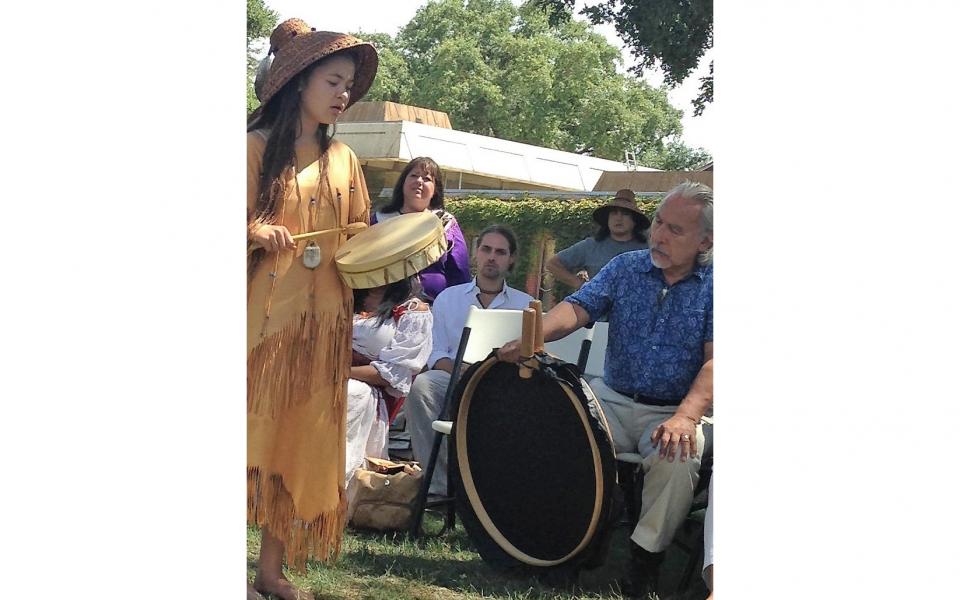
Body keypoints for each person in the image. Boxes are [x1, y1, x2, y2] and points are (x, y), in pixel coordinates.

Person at [499, 181, 714, 600]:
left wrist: (686, 417)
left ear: (706, 240)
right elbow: (577, 308)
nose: (659, 236)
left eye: (675, 230)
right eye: (659, 224)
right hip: (611, 399)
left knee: (679, 455)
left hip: (673, 409)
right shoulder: (625, 267)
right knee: (562, 434)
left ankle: (643, 563)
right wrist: (534, 337)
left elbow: (716, 360)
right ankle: (566, 548)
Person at [246, 18, 378, 600]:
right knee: (246, 432)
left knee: (300, 440)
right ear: (299, 81)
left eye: (348, 83)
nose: (342, 93)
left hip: (325, 325)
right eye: (333, 79)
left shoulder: (346, 158)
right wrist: (253, 228)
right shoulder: (250, 149)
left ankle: (271, 572)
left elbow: (362, 240)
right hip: (262, 322)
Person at [405, 224, 534, 494]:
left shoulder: (526, 305)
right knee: (423, 386)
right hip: (453, 378)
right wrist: (459, 370)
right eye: (486, 249)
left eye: (500, 252)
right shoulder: (448, 298)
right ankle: (440, 486)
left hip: (506, 384)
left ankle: (497, 490)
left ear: (511, 259)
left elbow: (532, 358)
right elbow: (434, 351)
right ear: (476, 253)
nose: (492, 257)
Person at [346, 276, 433, 514]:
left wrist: (339, 372)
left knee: (351, 394)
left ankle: (338, 497)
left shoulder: (412, 310)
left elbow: (393, 374)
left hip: (372, 391)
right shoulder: (340, 292)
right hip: (321, 376)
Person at [371, 157, 472, 301]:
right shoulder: (380, 221)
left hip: (434, 309)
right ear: (403, 183)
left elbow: (459, 274)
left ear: (435, 189)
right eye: (413, 175)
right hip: (383, 308)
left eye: (426, 178)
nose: (419, 181)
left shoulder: (445, 223)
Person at [546, 188, 650, 290]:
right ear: (607, 219)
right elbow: (553, 264)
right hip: (600, 306)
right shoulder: (590, 246)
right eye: (614, 213)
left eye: (625, 214)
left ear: (635, 220)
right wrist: (578, 284)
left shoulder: (648, 248)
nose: (618, 218)